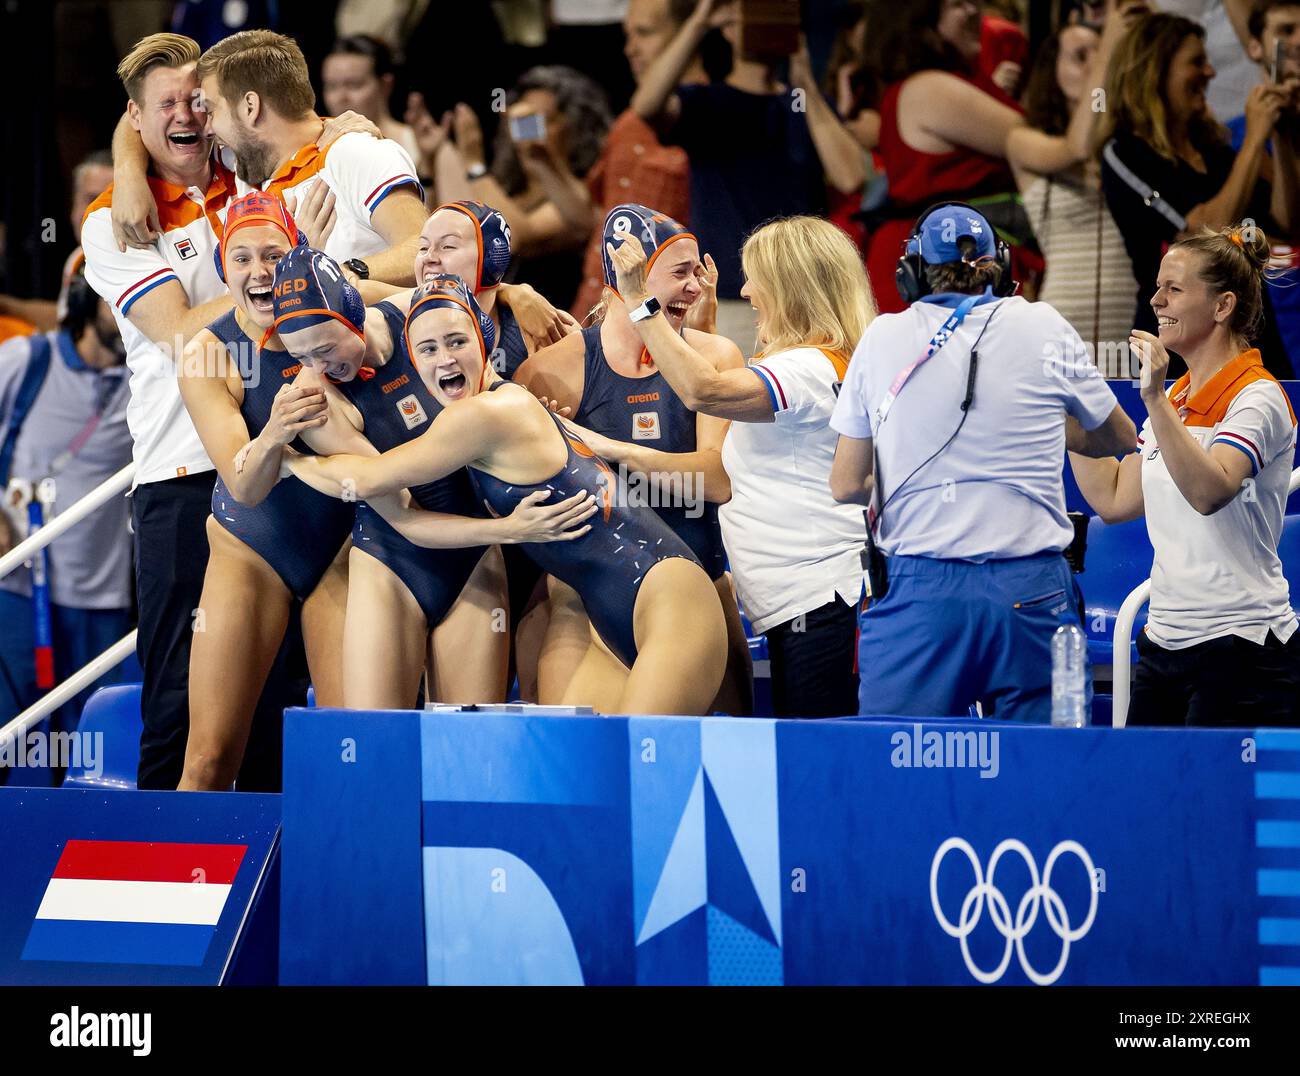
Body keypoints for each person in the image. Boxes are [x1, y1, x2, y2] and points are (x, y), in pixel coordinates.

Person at [287, 278, 728, 716]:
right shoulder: (500, 404)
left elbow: (368, 480)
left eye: (456, 341)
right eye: (427, 349)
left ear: (483, 340)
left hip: (668, 599)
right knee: (588, 780)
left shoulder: (487, 414)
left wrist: (288, 459)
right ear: (413, 362)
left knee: (646, 767)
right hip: (601, 614)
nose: (444, 360)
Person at [81, 32, 304, 791]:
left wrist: (352, 131)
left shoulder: (252, 176)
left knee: (277, 696)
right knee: (177, 706)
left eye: (193, 101)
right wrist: (284, 279)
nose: (183, 115)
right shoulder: (113, 218)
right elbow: (182, 334)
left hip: (281, 466)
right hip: (182, 475)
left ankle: (266, 892)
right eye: (163, 107)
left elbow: (312, 126)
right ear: (138, 123)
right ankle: (155, 891)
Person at [829, 203, 1136, 722]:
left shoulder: (882, 336)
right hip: (1031, 595)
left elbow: (845, 484)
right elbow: (1118, 437)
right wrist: (1030, 424)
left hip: (919, 598)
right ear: (1004, 266)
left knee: (901, 779)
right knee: (1044, 779)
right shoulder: (1043, 325)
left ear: (910, 272)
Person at [262, 249, 594, 708]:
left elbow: (476, 309)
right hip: (390, 561)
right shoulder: (316, 401)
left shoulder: (419, 317)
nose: (318, 368)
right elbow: (405, 518)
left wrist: (517, 292)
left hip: (473, 562)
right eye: (301, 357)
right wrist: (507, 530)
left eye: (325, 349)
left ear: (354, 315)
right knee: (379, 744)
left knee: (467, 743)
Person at [604, 215, 875, 717]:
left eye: (757, 279)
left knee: (819, 776)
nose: (746, 291)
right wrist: (702, 331)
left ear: (793, 288)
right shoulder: (820, 364)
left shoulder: (808, 367)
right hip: (813, 602)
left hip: (820, 604)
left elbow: (701, 390)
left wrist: (641, 302)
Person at [515, 205, 752, 714]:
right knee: (590, 776)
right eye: (680, 273)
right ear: (629, 280)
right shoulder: (553, 373)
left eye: (697, 272)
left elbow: (714, 481)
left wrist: (600, 448)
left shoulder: (715, 358)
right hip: (588, 605)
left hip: (697, 588)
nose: (696, 286)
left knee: (713, 777)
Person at [1069, 226, 1299, 727]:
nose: (1155, 300)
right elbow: (1112, 497)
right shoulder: (1176, 398)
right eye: (1157, 287)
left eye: (1173, 288)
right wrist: (1069, 406)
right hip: (1164, 645)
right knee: (1146, 803)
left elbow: (1208, 491)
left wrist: (1151, 396)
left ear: (1222, 306)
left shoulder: (1257, 397)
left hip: (1244, 652)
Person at [173, 192, 354, 791]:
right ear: (225, 267)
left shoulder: (342, 312)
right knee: (208, 758)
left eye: (274, 255)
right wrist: (275, 429)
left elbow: (434, 299)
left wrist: (514, 293)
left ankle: (341, 884)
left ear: (297, 257)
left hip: (342, 554)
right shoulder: (207, 352)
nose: (258, 272)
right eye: (242, 257)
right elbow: (245, 485)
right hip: (252, 549)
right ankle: (182, 883)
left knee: (348, 745)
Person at [631, 0, 867, 355]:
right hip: (733, 299)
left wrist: (803, 78)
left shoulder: (800, 103)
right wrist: (700, 21)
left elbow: (851, 177)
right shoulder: (708, 104)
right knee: (732, 403)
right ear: (728, 27)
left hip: (805, 296)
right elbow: (647, 106)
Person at [1098, 11, 1297, 375]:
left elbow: (1287, 222)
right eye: (1196, 62)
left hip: (1250, 334)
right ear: (1156, 72)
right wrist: (1254, 138)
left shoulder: (1215, 150)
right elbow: (1202, 232)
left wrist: (1279, 135)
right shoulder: (1127, 153)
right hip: (1180, 347)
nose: (1209, 73)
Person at [0, 273, 132, 747]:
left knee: (90, 750)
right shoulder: (26, 360)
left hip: (104, 602)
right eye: (115, 294)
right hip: (16, 590)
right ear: (82, 299)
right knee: (13, 740)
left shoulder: (149, 380)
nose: (128, 305)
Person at [861, 0, 1034, 317]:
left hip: (948, 255)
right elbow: (1048, 148)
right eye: (956, 4)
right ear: (918, 21)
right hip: (942, 262)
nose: (973, 11)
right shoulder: (930, 87)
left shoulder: (952, 81)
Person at [1008, 4, 1143, 368]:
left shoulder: (1130, 143)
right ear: (1053, 70)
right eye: (1079, 56)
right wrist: (1109, 47)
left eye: (1098, 55)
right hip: (1066, 314)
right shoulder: (1024, 140)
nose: (1091, 64)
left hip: (1132, 311)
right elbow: (1078, 146)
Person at [428, 66, 612, 310]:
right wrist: (432, 161)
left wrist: (474, 165)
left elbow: (511, 237)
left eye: (543, 120)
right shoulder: (509, 190)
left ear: (575, 126)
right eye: (521, 122)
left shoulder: (578, 198)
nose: (529, 130)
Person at [1223, 0, 1300, 375]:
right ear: (1254, 46)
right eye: (1285, 32)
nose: (1298, 41)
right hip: (1272, 322)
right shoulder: (1233, 138)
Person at [0, 151, 114, 336]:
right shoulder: (79, 258)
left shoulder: (148, 261)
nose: (99, 212)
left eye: (113, 200)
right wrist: (6, 305)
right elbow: (67, 322)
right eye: (91, 200)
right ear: (73, 207)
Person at [321, 34, 420, 164]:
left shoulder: (418, 142)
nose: (341, 97)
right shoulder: (314, 149)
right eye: (332, 86)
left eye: (354, 85)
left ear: (385, 85)